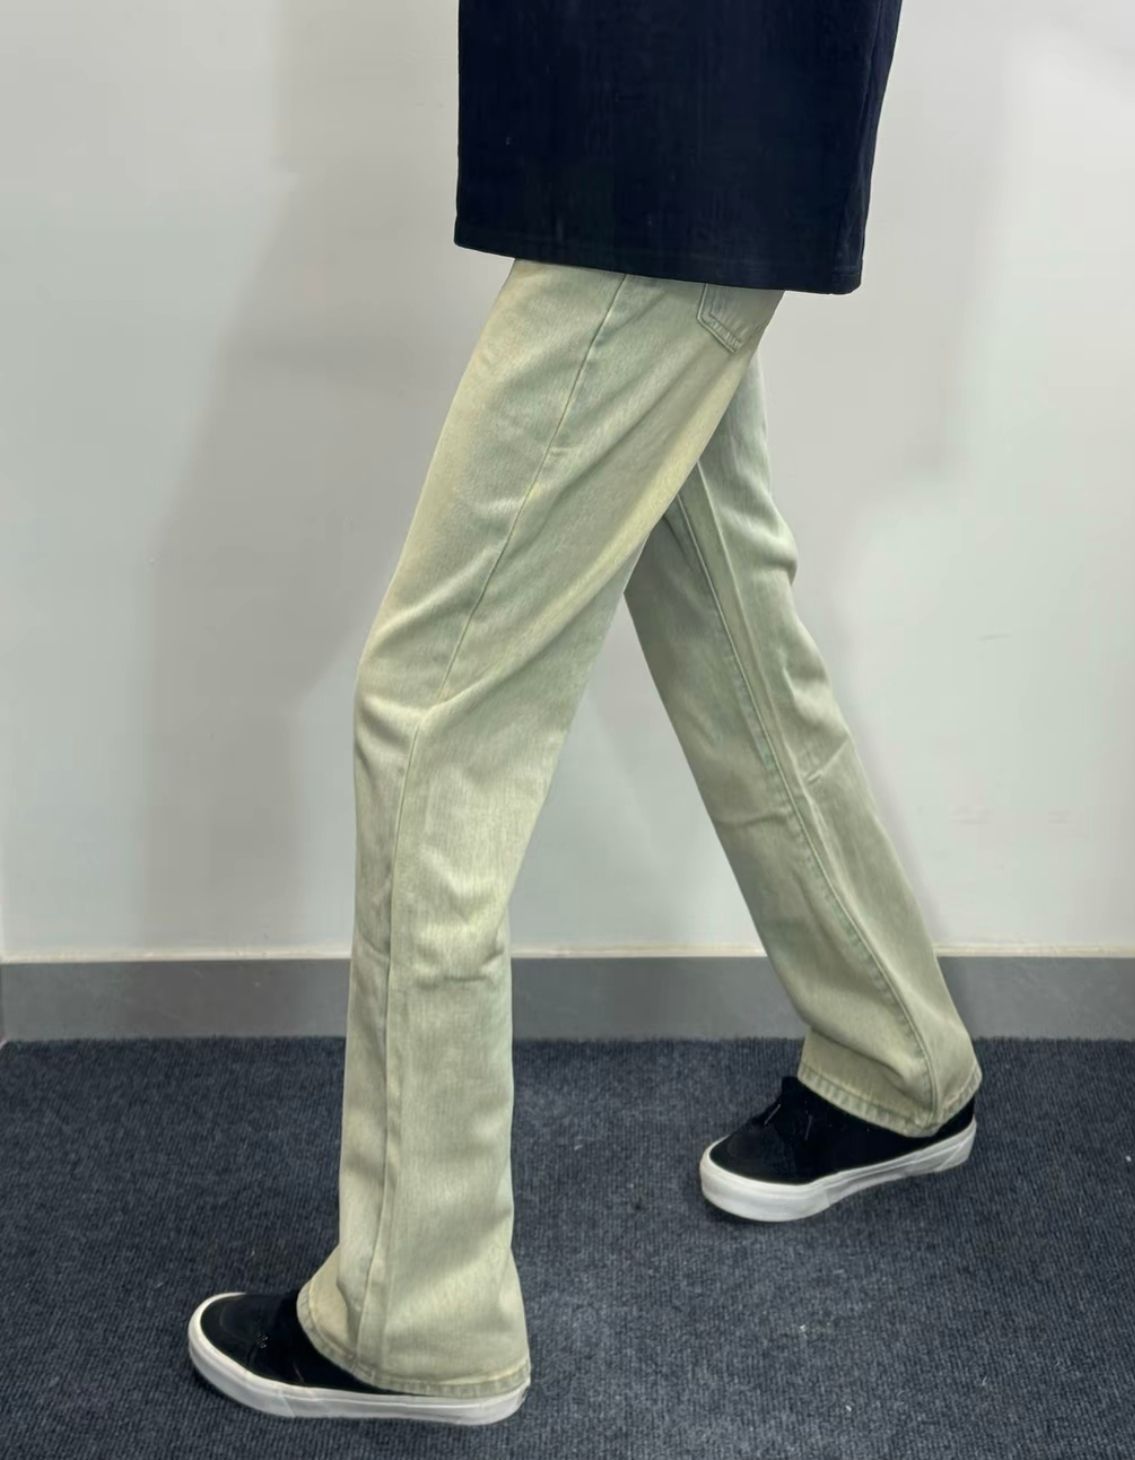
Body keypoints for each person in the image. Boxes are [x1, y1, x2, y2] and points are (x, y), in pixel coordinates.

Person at [186, 0, 982, 1426]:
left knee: (435, 710)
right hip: (666, 111)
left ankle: (416, 1307)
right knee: (725, 617)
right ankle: (897, 1054)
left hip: (680, 107)